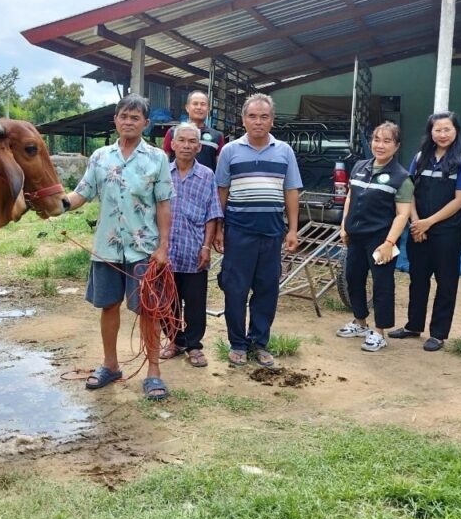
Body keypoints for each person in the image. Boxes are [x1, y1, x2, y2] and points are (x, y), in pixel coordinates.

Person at [64, 94, 174, 399]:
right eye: (123, 116)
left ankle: (153, 372)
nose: (128, 122)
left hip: (144, 248)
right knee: (108, 305)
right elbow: (82, 193)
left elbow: (163, 205)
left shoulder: (157, 159)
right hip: (107, 248)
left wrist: (163, 247)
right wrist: (58, 205)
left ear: (146, 123)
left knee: (149, 310)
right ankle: (110, 365)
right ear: (115, 120)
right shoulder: (100, 157)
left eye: (135, 117)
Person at [213, 93, 301, 367]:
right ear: (243, 120)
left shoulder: (284, 151)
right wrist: (218, 228)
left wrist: (292, 230)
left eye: (264, 117)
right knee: (235, 289)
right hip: (238, 232)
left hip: (272, 232)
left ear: (272, 120)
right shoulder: (230, 151)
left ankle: (259, 343)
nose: (258, 122)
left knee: (267, 289)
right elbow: (222, 191)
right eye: (252, 116)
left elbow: (291, 191)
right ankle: (238, 344)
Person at [390, 112, 461, 352]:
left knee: (446, 282)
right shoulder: (420, 158)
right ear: (430, 132)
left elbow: (460, 200)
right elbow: (409, 192)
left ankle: (438, 334)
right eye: (437, 130)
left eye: (447, 129)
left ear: (456, 131)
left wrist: (428, 222)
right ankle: (413, 325)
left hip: (447, 232)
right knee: (417, 279)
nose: (442, 134)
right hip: (419, 230)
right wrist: (416, 222)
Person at [336, 122, 413, 352]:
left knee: (382, 283)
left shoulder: (401, 177)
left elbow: (402, 214)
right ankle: (360, 322)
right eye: (377, 140)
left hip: (381, 240)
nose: (380, 145)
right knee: (353, 277)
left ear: (396, 146)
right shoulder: (360, 166)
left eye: (387, 141)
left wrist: (389, 243)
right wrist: (344, 226)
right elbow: (350, 197)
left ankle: (379, 332)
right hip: (356, 236)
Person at [160, 123, 223, 368]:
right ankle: (175, 341)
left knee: (196, 302)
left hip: (194, 250)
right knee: (168, 300)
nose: (186, 146)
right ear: (173, 144)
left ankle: (194, 346)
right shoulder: (162, 173)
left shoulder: (207, 175)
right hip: (166, 250)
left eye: (192, 142)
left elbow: (212, 213)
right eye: (182, 141)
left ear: (198, 147)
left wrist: (206, 247)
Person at [163, 90, 225, 170]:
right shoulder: (173, 133)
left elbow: (220, 168)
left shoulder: (217, 136)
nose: (199, 107)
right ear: (187, 108)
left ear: (208, 109)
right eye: (195, 104)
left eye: (203, 104)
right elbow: (164, 163)